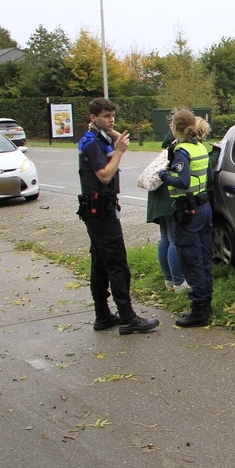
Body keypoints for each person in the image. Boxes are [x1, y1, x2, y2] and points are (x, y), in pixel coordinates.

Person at [77, 98, 160, 335]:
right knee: (117, 264)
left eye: (113, 115)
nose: (111, 120)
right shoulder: (93, 143)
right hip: (100, 212)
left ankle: (103, 315)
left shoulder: (96, 137)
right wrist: (119, 152)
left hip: (98, 210)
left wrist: (109, 131)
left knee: (100, 264)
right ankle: (127, 317)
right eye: (106, 116)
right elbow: (104, 175)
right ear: (93, 117)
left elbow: (118, 142)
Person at [158, 110, 213, 328]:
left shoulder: (182, 151)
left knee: (191, 259)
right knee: (204, 257)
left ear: (175, 128)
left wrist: (164, 175)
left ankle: (198, 310)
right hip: (204, 207)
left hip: (188, 211)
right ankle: (206, 303)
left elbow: (182, 181)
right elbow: (207, 176)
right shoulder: (200, 147)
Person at [146, 144, 190, 293]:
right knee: (174, 240)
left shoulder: (169, 147)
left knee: (165, 238)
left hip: (159, 197)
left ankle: (169, 280)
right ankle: (179, 282)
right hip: (169, 199)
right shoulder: (182, 148)